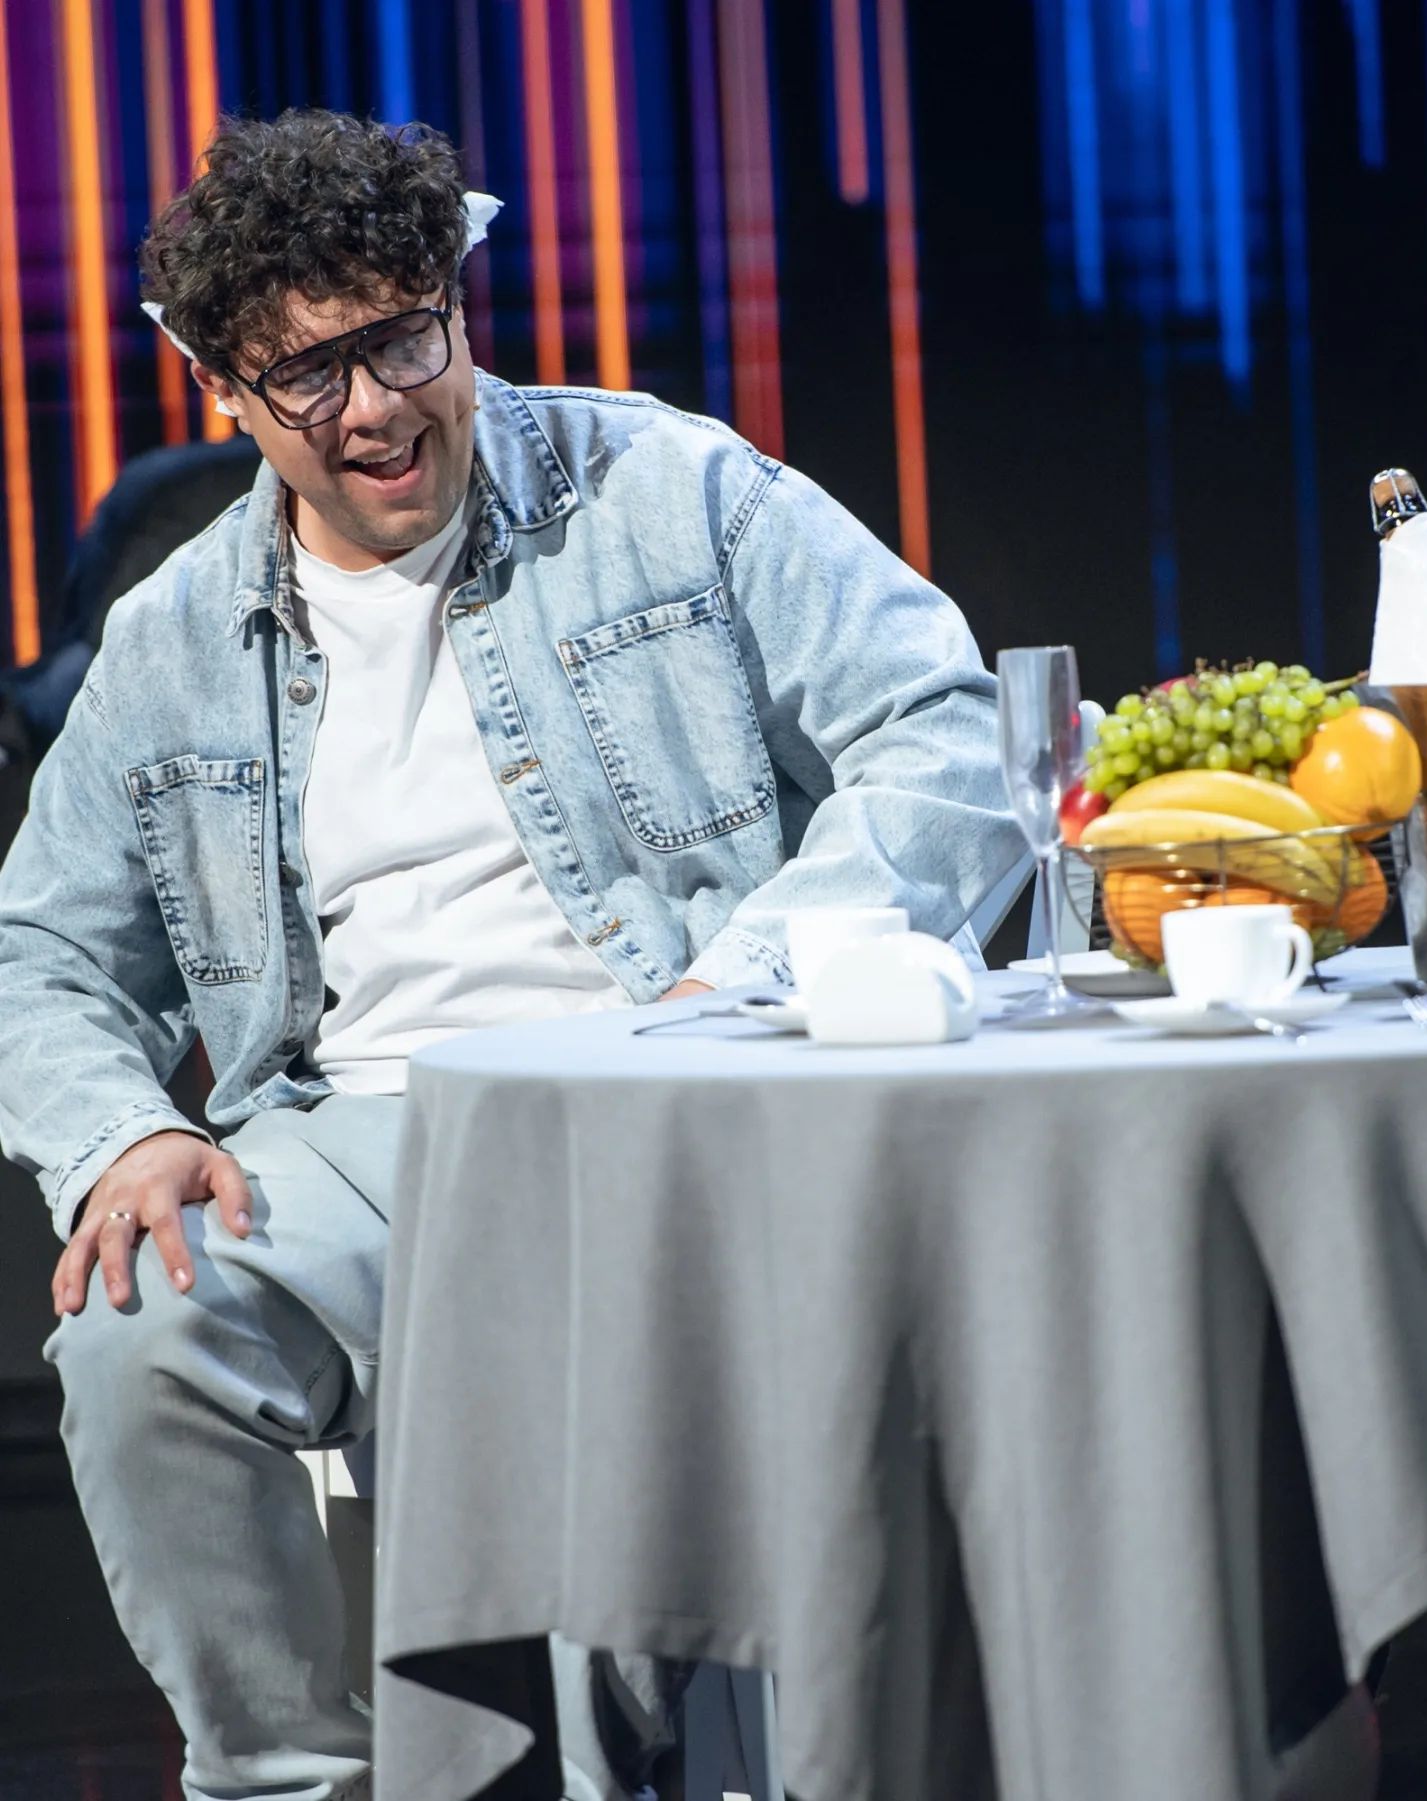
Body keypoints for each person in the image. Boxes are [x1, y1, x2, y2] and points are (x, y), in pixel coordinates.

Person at [0, 109, 1019, 1800]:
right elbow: (40, 945)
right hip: (362, 1137)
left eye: (405, 337)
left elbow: (942, 732)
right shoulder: (172, 639)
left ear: (455, 304)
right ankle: (291, 1782)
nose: (376, 406)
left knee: (593, 1369)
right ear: (226, 390)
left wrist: (749, 980)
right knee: (136, 1335)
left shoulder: (666, 487)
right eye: (307, 373)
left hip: (670, 1090)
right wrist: (124, 1131)